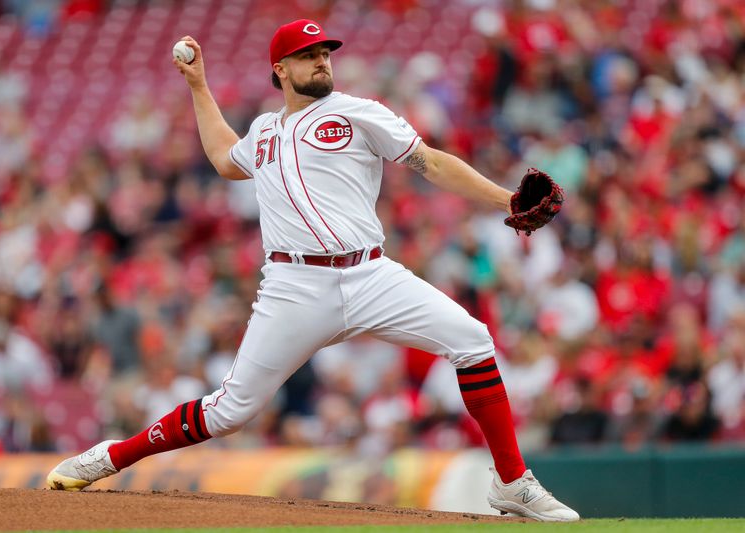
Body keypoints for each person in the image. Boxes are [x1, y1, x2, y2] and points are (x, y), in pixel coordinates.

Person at [46, 19, 579, 522]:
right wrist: (199, 86)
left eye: (325, 52)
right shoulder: (263, 132)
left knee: (472, 338)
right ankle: (111, 456)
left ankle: (511, 482)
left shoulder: (358, 111)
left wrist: (506, 201)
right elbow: (224, 159)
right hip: (294, 286)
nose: (322, 61)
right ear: (281, 69)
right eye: (308, 55)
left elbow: (432, 162)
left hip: (372, 275)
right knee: (231, 411)